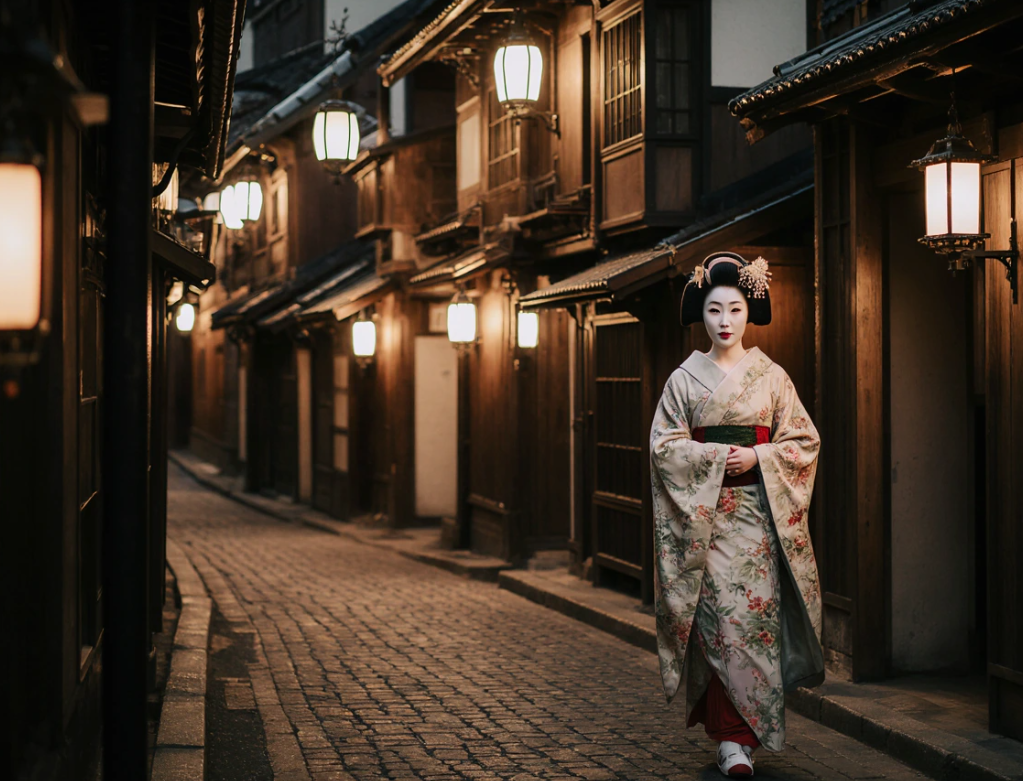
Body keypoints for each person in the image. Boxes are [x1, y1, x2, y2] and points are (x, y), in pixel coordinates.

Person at [650, 252, 824, 778]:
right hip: (706, 525)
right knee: (721, 624)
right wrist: (709, 458)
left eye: (735, 309)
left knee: (754, 625)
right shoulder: (683, 381)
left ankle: (744, 737)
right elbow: (663, 447)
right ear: (700, 316)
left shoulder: (772, 378)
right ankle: (731, 741)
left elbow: (804, 440)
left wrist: (761, 456)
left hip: (759, 522)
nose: (725, 321)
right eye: (714, 310)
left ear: (750, 314)